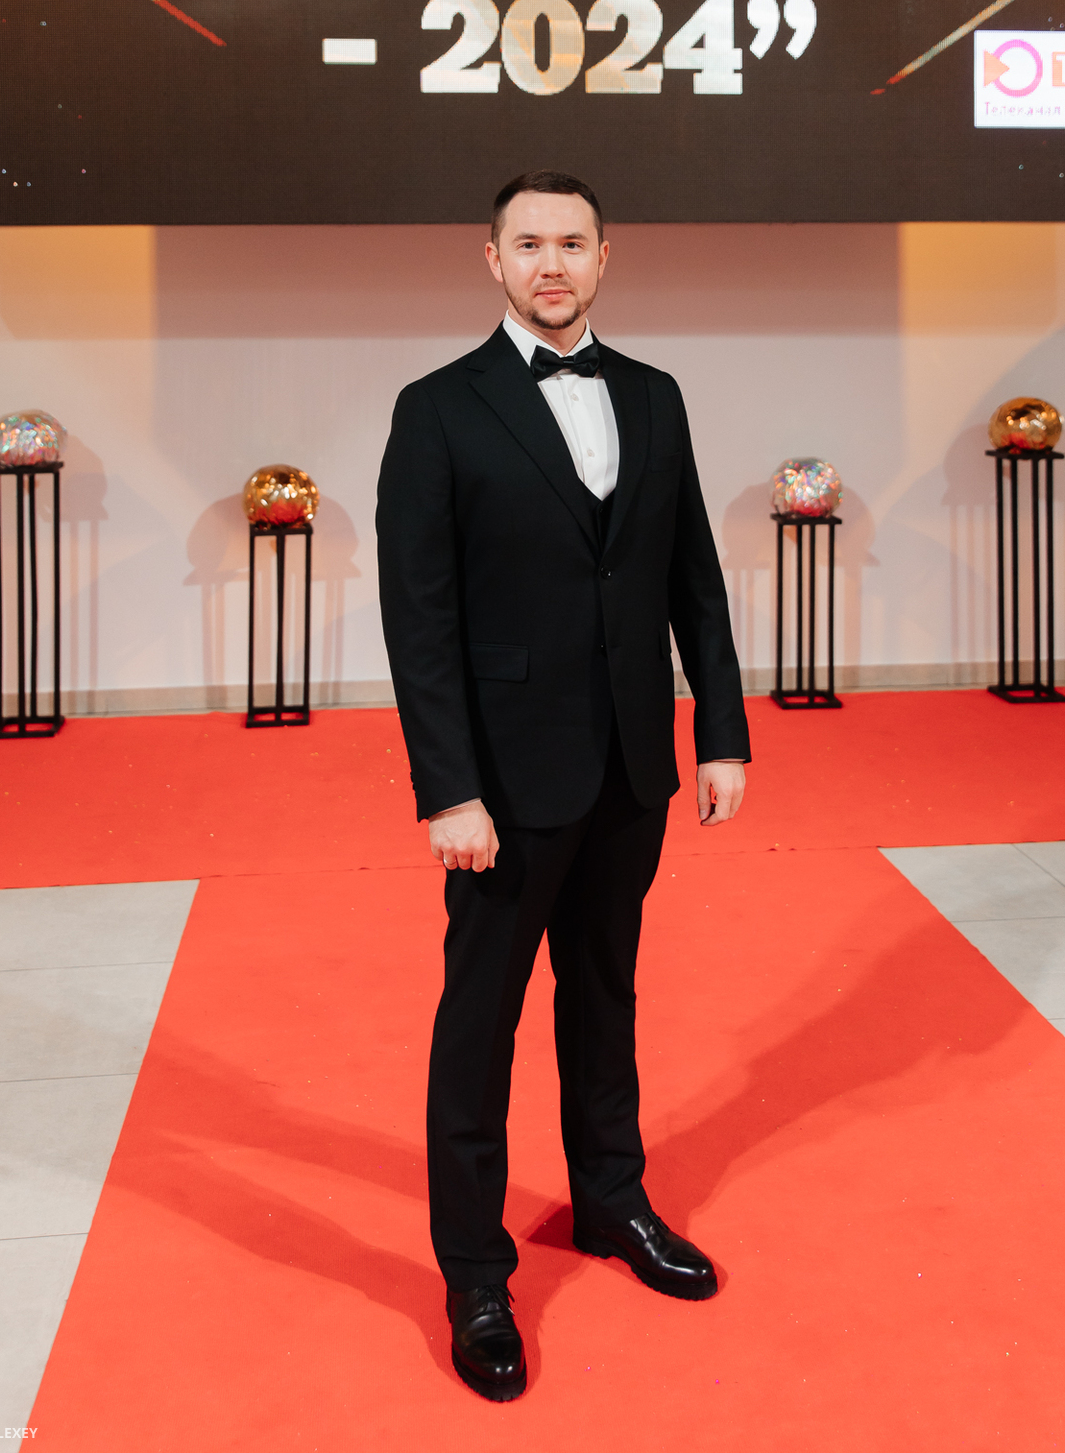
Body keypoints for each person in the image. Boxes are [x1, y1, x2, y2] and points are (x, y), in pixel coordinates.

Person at [375, 171, 750, 1403]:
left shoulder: (654, 396)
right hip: (501, 784)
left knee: (604, 995)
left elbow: (692, 578)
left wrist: (720, 735)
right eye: (527, 243)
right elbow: (419, 620)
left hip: (631, 767)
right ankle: (474, 1275)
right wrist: (448, 789)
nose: (551, 263)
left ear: (603, 258)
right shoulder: (436, 410)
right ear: (490, 260)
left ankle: (610, 1201)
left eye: (571, 243)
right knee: (477, 1026)